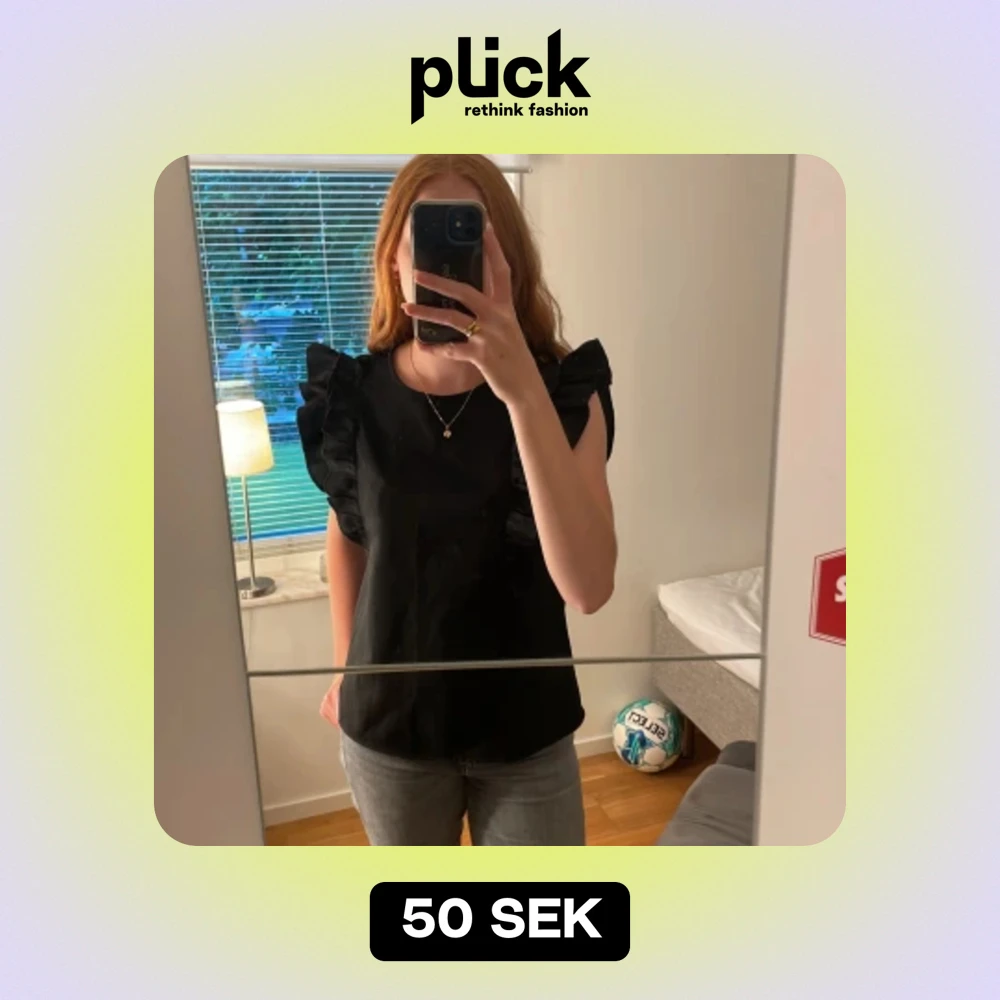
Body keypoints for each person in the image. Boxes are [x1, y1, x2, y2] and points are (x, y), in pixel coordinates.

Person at [297, 154, 616, 846]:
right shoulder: (352, 398)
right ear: (393, 261)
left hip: (527, 733)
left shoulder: (566, 395)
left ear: (509, 262)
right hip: (389, 734)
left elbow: (589, 588)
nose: (445, 265)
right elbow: (350, 533)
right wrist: (345, 669)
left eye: (471, 237)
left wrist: (522, 392)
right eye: (424, 240)